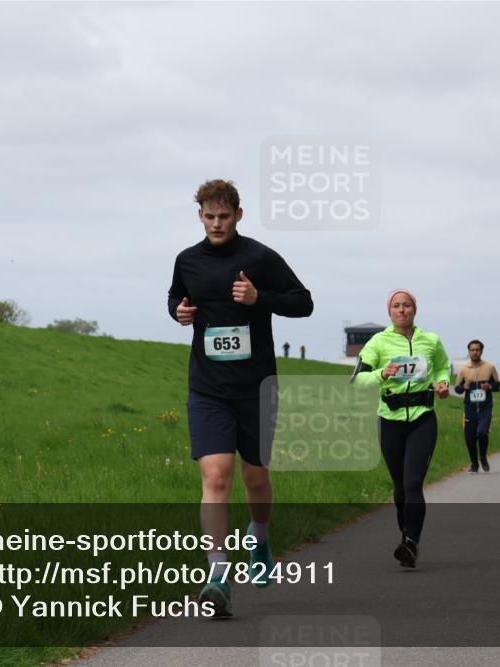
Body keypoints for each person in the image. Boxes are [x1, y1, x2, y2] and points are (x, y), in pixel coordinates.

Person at [168, 179, 313, 617]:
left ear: (238, 215)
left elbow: (303, 302)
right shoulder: (187, 260)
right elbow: (177, 297)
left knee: (256, 478)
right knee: (216, 477)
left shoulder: (260, 258)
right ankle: (217, 578)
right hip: (208, 388)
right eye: (209, 217)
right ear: (199, 216)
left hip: (256, 388)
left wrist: (258, 297)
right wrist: (179, 312)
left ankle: (261, 536)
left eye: (224, 216)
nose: (216, 223)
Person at [351, 289, 451, 568]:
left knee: (412, 483)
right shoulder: (378, 342)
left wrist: (443, 384)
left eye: (407, 305)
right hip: (390, 420)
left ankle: (411, 543)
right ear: (390, 311)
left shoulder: (430, 341)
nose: (402, 310)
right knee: (399, 487)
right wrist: (381, 374)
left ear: (415, 309)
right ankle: (406, 535)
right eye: (397, 306)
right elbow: (357, 381)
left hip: (423, 418)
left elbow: (443, 367)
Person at [453, 340, 500, 473]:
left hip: (485, 408)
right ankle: (474, 464)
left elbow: (498, 385)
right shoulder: (463, 370)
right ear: (469, 352)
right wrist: (464, 386)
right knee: (469, 437)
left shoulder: (490, 367)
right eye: (472, 350)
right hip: (470, 408)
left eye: (477, 350)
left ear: (481, 351)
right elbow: (457, 389)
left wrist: (490, 386)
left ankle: (483, 457)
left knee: (482, 432)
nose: (475, 352)